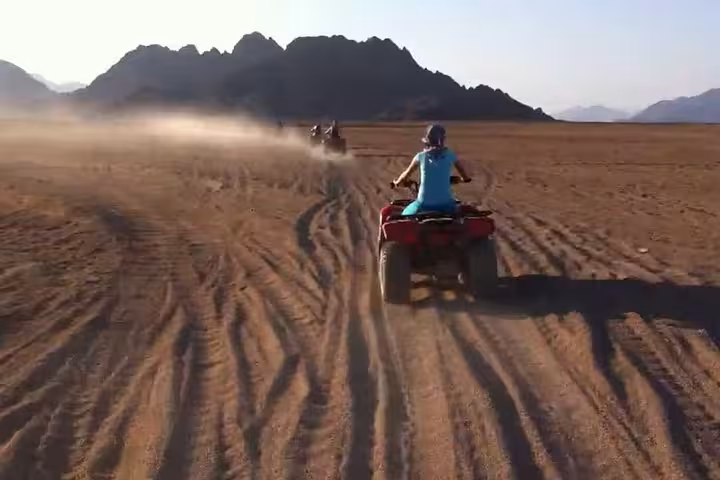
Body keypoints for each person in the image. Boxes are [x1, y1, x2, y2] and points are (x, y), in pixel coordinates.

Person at [392, 124, 471, 216]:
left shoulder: (420, 156)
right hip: (446, 205)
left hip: (424, 204)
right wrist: (462, 180)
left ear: (427, 140)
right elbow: (465, 177)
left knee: (404, 214)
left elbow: (404, 177)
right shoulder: (450, 155)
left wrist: (397, 182)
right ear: (443, 139)